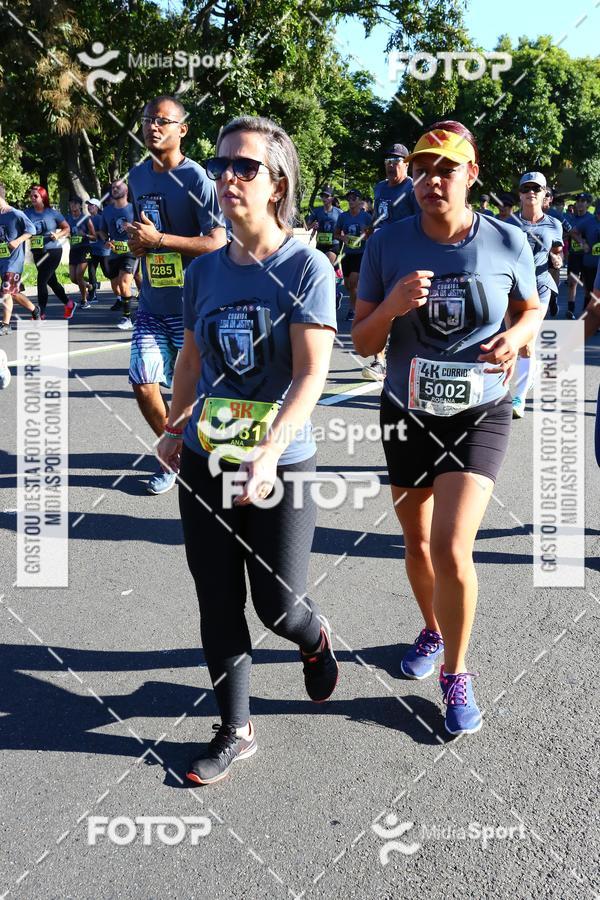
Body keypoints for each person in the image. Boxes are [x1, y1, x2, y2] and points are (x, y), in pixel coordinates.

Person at [157, 115, 339, 784]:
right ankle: (237, 727)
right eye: (223, 164)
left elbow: (310, 373)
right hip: (209, 456)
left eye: (246, 167)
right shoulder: (204, 272)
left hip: (281, 462)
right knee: (215, 596)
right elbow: (190, 357)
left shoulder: (305, 266)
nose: (228, 176)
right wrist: (176, 426)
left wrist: (268, 450)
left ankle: (314, 638)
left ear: (277, 182)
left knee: (277, 603)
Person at [352, 121, 539, 735]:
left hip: (481, 410)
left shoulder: (508, 241)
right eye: (425, 167)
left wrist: (514, 338)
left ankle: (456, 672)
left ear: (471, 175)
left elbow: (531, 309)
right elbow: (361, 341)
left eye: (447, 169)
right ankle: (432, 628)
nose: (433, 179)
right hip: (406, 411)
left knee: (456, 547)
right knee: (419, 546)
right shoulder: (386, 243)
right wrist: (393, 306)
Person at [125, 95, 226, 495]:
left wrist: (161, 240)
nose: (153, 126)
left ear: (181, 130)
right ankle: (174, 454)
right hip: (152, 301)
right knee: (142, 381)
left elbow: (218, 241)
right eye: (148, 119)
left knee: (200, 396)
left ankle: (206, 453)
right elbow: (141, 232)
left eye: (163, 121)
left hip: (195, 307)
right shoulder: (136, 176)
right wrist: (138, 246)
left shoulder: (197, 179)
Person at [509, 173, 563, 417]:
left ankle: (518, 398)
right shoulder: (509, 223)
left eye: (536, 188)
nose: (531, 192)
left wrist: (557, 260)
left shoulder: (554, 224)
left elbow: (559, 252)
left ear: (544, 195)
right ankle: (528, 371)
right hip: (513, 288)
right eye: (526, 188)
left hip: (541, 285)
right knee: (517, 344)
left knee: (528, 340)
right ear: (520, 194)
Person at [364, 144, 418, 382]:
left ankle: (410, 357)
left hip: (405, 255)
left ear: (406, 164)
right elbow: (379, 214)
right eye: (388, 159)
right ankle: (379, 362)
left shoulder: (412, 188)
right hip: (380, 254)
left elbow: (422, 220)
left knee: (405, 310)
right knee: (379, 307)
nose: (391, 164)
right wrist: (372, 228)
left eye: (397, 160)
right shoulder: (379, 188)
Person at [24, 185, 73, 320]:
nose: (32, 198)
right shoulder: (27, 213)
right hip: (37, 252)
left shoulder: (52, 213)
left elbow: (67, 228)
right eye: (31, 196)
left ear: (43, 197)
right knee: (52, 282)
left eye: (36, 196)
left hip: (53, 251)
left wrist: (58, 235)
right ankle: (69, 304)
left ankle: (41, 313)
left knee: (41, 280)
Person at [96, 180, 137, 329]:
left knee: (124, 283)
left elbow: (145, 227)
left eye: (118, 187)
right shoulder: (107, 210)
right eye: (113, 187)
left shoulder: (134, 209)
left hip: (131, 252)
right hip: (114, 253)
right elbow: (101, 231)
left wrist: (133, 229)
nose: (114, 189)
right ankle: (139, 302)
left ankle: (127, 319)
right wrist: (106, 240)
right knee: (116, 286)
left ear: (126, 191)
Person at [0, 183, 39, 334]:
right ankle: (35, 310)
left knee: (5, 292)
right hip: (2, 260)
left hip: (14, 261)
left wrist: (17, 241)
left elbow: (31, 230)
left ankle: (5, 324)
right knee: (13, 293)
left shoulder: (15, 213)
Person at [334, 189, 371, 323]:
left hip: (361, 254)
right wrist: (343, 238)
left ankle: (352, 310)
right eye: (349, 199)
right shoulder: (343, 217)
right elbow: (336, 234)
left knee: (353, 283)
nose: (351, 201)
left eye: (354, 199)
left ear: (360, 201)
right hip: (347, 254)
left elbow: (373, 235)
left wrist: (365, 235)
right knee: (349, 285)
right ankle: (360, 302)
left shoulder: (366, 217)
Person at [566, 192, 594, 319]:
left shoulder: (591, 218)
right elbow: (566, 234)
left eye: (583, 201)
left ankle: (585, 311)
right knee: (573, 282)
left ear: (588, 204)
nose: (580, 204)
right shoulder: (570, 218)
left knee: (588, 286)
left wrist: (585, 243)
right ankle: (570, 310)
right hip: (574, 255)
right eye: (578, 201)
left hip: (588, 256)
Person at [65, 197, 95, 309]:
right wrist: (67, 234)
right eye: (71, 204)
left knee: (79, 275)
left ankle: (84, 300)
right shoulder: (67, 218)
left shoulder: (86, 218)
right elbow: (65, 231)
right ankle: (87, 285)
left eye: (74, 204)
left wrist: (85, 235)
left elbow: (94, 237)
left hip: (85, 249)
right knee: (73, 278)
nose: (72, 206)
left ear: (79, 206)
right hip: (73, 250)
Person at [570, 200, 600, 311]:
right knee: (590, 292)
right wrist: (582, 243)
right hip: (590, 263)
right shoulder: (589, 221)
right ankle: (586, 318)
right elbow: (573, 232)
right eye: (598, 214)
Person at [306, 185, 341, 267]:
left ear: (332, 198)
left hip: (333, 244)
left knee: (326, 265)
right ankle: (337, 275)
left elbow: (344, 228)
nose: (324, 198)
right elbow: (306, 227)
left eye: (327, 196)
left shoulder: (339, 212)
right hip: (320, 244)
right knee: (321, 267)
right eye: (322, 196)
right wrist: (312, 225)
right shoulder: (316, 211)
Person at [86, 198, 110, 302]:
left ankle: (122, 286)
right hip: (92, 250)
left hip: (103, 250)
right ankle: (92, 295)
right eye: (88, 205)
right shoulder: (87, 219)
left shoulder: (101, 218)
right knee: (91, 271)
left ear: (96, 207)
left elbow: (103, 233)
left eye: (91, 205)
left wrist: (94, 234)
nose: (89, 206)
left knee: (107, 273)